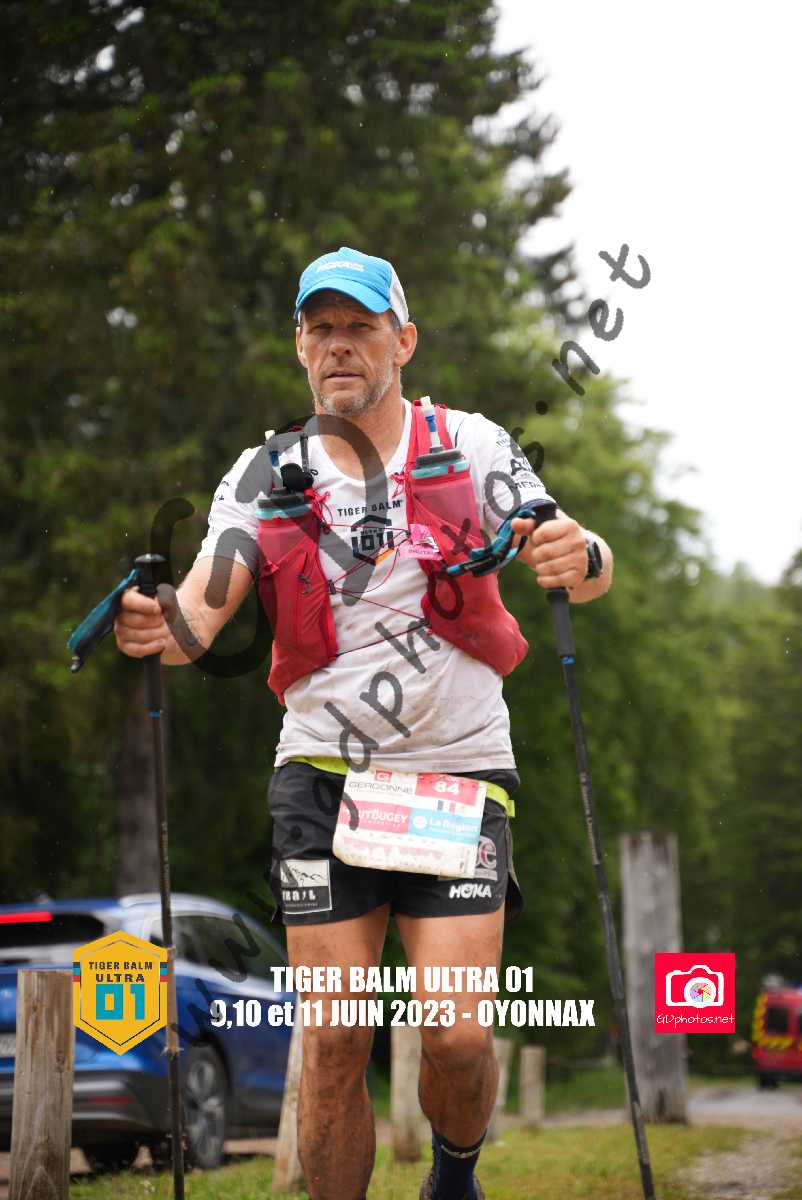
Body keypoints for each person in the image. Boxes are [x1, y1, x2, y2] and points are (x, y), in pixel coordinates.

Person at [114, 246, 613, 1200]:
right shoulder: (264, 474)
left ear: (403, 342)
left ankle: (454, 1177)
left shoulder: (472, 444)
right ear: (300, 347)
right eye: (322, 329)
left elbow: (577, 558)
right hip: (322, 780)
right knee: (336, 1036)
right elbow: (200, 615)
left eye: (360, 327)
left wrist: (580, 553)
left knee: (456, 1035)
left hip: (457, 776)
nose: (340, 345)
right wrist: (156, 624)